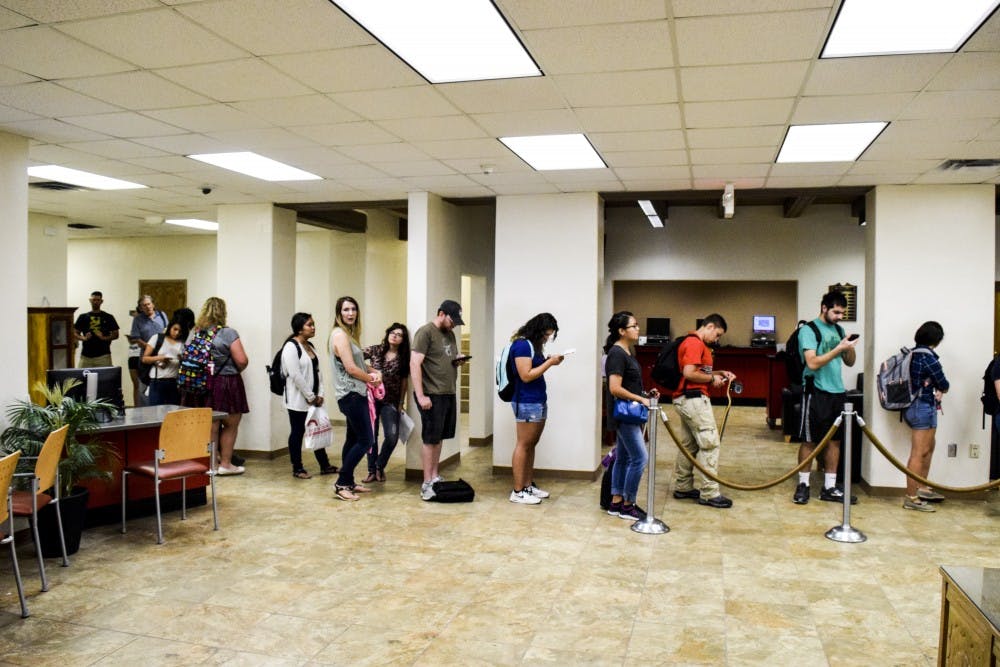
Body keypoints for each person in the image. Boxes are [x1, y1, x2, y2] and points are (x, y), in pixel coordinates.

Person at [793, 290, 858, 505]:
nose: (840, 317)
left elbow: (849, 362)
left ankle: (829, 486)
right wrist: (838, 347)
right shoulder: (809, 330)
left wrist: (848, 348)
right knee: (809, 440)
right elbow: (812, 362)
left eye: (842, 313)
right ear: (824, 308)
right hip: (815, 391)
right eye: (836, 312)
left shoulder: (838, 329)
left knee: (834, 441)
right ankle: (803, 484)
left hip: (837, 391)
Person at [670, 314, 736, 509]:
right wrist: (711, 380)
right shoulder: (694, 344)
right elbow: (689, 373)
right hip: (693, 399)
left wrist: (719, 373)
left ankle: (683, 486)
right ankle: (709, 493)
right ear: (708, 326)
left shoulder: (696, 344)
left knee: (689, 445)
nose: (717, 340)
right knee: (710, 443)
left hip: (687, 398)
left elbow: (698, 372)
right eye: (717, 334)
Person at [410, 300, 470, 501]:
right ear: (442, 314)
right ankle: (426, 483)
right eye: (453, 320)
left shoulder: (450, 334)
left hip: (447, 392)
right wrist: (420, 395)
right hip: (431, 393)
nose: (455, 325)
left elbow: (444, 359)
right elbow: (415, 363)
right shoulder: (425, 332)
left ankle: (434, 476)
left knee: (439, 437)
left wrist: (457, 360)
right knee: (430, 438)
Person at [185, 297, 249, 476]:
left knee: (211, 425)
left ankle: (211, 465)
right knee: (231, 424)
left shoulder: (195, 332)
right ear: (223, 312)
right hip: (227, 381)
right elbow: (242, 360)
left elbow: (186, 355)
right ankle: (226, 464)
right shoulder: (228, 333)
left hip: (203, 383)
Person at [603, 311, 657, 520]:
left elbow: (629, 384)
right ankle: (628, 504)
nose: (638, 329)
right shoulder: (617, 353)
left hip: (629, 413)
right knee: (640, 458)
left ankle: (616, 503)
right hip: (625, 416)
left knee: (624, 458)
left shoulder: (627, 352)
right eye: (633, 326)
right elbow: (615, 388)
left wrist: (645, 394)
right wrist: (641, 399)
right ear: (621, 331)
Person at [507, 313, 564, 505]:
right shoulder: (522, 345)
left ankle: (527, 485)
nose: (547, 338)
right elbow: (526, 375)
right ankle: (517, 491)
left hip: (537, 400)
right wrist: (549, 363)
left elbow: (533, 367)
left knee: (531, 444)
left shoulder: (533, 346)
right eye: (546, 335)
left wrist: (546, 360)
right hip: (526, 401)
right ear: (538, 330)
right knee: (524, 444)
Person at [328, 296, 382, 501]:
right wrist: (371, 379)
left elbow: (355, 363)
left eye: (353, 309)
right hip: (350, 394)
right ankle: (342, 483)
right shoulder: (340, 335)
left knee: (352, 439)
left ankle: (348, 481)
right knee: (366, 439)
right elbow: (351, 369)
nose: (350, 313)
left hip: (355, 393)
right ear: (338, 313)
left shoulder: (349, 335)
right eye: (345, 310)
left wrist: (375, 371)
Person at [283, 312, 338, 479]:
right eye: (309, 325)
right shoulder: (291, 347)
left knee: (317, 430)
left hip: (314, 399)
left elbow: (318, 372)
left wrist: (319, 394)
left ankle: (324, 465)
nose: (313, 327)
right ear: (299, 328)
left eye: (313, 324)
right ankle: (297, 468)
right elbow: (295, 375)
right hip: (297, 400)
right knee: (298, 432)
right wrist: (310, 396)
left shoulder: (310, 346)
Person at [902, 321, 949, 512]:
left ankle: (921, 488)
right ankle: (911, 497)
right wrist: (942, 389)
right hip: (922, 406)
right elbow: (943, 383)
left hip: (919, 405)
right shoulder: (928, 358)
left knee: (928, 447)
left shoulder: (912, 354)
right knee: (919, 452)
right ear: (937, 340)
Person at [362, 323, 411, 483]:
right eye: (392, 332)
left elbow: (404, 381)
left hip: (391, 401)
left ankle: (379, 466)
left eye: (399, 334)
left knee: (392, 436)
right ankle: (371, 471)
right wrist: (371, 370)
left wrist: (401, 402)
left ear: (403, 340)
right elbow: (353, 358)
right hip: (371, 399)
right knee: (371, 436)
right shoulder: (375, 350)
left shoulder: (404, 357)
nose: (395, 335)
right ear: (388, 333)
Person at [128, 295, 168, 406]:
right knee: (144, 388)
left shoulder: (162, 316)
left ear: (153, 304)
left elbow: (168, 333)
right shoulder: (138, 320)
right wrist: (150, 348)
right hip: (146, 357)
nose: (147, 307)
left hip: (162, 357)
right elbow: (136, 338)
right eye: (144, 305)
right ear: (140, 308)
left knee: (161, 386)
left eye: (149, 304)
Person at [140, 315, 188, 406]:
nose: (177, 333)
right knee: (155, 412)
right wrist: (160, 358)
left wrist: (182, 359)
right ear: (170, 327)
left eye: (180, 331)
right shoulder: (158, 338)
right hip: (157, 381)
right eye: (175, 329)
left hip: (174, 382)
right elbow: (145, 358)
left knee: (172, 413)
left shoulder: (182, 343)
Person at [73, 291, 119, 368]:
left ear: (101, 301)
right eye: (94, 300)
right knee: (81, 378)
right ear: (90, 300)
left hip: (103, 356)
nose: (95, 302)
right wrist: (84, 338)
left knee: (105, 379)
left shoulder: (108, 317)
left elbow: (116, 334)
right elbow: (74, 333)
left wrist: (104, 338)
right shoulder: (83, 317)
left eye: (98, 300)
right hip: (86, 356)